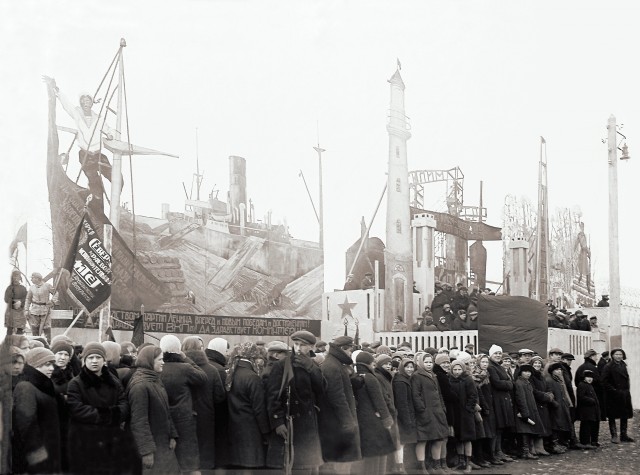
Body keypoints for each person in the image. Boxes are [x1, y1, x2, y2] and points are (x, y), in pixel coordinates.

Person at [44, 76, 121, 212]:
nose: (86, 103)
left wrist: (110, 134)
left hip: (98, 155)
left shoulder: (98, 118)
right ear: (81, 103)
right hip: (86, 155)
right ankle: (98, 212)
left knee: (118, 178)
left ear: (91, 103)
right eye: (83, 101)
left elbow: (109, 130)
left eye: (88, 101)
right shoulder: (77, 113)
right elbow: (66, 104)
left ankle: (117, 208)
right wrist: (57, 90)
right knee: (95, 184)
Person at [66, 342, 133, 475]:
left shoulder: (113, 381)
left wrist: (115, 414)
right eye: (90, 358)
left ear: (104, 360)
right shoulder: (76, 383)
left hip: (110, 439)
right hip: (85, 440)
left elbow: (124, 403)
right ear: (84, 360)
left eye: (98, 357)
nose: (94, 361)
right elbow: (77, 409)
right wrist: (108, 415)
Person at [264, 331, 325, 473]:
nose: (298, 348)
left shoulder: (313, 365)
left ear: (310, 347)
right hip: (289, 422)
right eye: (296, 344)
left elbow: (321, 388)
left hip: (308, 424)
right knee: (292, 466)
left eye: (302, 345)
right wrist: (277, 421)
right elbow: (273, 396)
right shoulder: (282, 365)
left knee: (308, 467)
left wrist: (310, 368)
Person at [127, 345, 181, 474]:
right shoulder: (140, 386)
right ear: (150, 361)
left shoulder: (154, 380)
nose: (163, 362)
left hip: (162, 444)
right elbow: (139, 422)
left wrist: (172, 434)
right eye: (160, 360)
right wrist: (146, 452)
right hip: (152, 448)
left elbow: (165, 411)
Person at [158, 334, 207, 474]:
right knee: (189, 461)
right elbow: (202, 377)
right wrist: (186, 358)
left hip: (163, 418)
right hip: (184, 418)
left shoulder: (157, 368)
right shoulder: (185, 368)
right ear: (179, 350)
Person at [12, 347, 62, 474]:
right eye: (47, 364)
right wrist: (38, 457)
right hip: (37, 458)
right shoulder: (25, 387)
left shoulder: (45, 386)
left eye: (52, 364)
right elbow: (27, 426)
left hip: (49, 450)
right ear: (34, 365)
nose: (51, 368)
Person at [318, 335, 361, 474]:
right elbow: (337, 397)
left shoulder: (334, 364)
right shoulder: (332, 366)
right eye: (349, 351)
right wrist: (348, 421)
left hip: (338, 421)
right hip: (338, 423)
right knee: (342, 460)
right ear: (343, 349)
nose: (350, 354)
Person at [181, 336, 226, 471]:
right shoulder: (212, 370)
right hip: (206, 417)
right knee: (205, 454)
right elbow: (219, 396)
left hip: (183, 417)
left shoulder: (178, 368)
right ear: (201, 349)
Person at [225, 342, 271, 470]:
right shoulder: (252, 377)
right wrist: (266, 432)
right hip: (251, 433)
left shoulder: (231, 374)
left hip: (233, 430)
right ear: (253, 357)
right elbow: (259, 409)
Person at [352, 351, 396, 475]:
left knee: (369, 455)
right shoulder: (370, 377)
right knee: (379, 454)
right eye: (372, 363)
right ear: (368, 364)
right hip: (375, 421)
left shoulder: (356, 377)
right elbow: (379, 400)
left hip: (363, 420)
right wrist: (387, 419)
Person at [412, 352, 450, 473]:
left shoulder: (434, 375)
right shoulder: (417, 376)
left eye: (430, 362)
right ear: (421, 363)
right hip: (425, 412)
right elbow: (415, 395)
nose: (429, 364)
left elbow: (439, 394)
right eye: (426, 362)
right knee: (423, 440)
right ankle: (422, 468)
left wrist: (443, 408)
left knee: (439, 439)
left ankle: (436, 466)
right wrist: (422, 410)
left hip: (437, 412)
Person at [448, 359, 480, 473]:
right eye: (455, 369)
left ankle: (468, 462)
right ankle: (460, 462)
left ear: (463, 369)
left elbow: (473, 396)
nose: (457, 372)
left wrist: (468, 409)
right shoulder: (450, 380)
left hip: (466, 414)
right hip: (455, 414)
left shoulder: (468, 379)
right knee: (458, 439)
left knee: (467, 438)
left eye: (459, 369)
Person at [205, 337, 231, 469]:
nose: (227, 353)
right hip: (218, 415)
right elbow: (221, 396)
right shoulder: (219, 370)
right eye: (226, 350)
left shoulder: (206, 364)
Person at [487, 345, 515, 463]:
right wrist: (509, 383)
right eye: (496, 353)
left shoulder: (498, 366)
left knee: (501, 428)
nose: (498, 355)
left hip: (502, 400)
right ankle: (493, 454)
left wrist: (508, 383)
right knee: (497, 428)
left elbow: (506, 382)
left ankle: (499, 451)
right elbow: (497, 383)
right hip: (496, 401)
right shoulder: (491, 367)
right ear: (491, 355)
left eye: (499, 353)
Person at [601, 348, 634, 444]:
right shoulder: (608, 366)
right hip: (613, 395)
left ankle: (624, 435)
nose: (619, 356)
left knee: (625, 414)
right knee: (612, 415)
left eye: (620, 354)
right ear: (612, 355)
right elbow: (604, 381)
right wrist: (614, 391)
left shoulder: (624, 365)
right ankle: (614, 435)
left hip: (624, 393)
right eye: (616, 354)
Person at [513, 364, 544, 459]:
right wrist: (524, 413)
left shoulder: (527, 382)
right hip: (523, 411)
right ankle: (525, 452)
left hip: (529, 409)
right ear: (521, 372)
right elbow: (520, 399)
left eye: (529, 372)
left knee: (528, 431)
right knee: (524, 432)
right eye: (525, 371)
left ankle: (528, 450)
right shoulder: (519, 383)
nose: (528, 374)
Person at [392, 359, 417, 474]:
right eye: (407, 367)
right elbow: (402, 404)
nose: (410, 369)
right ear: (402, 368)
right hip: (402, 417)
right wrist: (407, 421)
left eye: (412, 367)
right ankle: (400, 467)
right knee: (400, 442)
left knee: (401, 442)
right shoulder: (401, 382)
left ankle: (400, 466)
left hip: (404, 416)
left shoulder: (404, 379)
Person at [24, 272, 55, 341]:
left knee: (47, 327)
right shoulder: (31, 288)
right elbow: (28, 299)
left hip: (45, 310)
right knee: (34, 328)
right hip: (34, 310)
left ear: (37, 278)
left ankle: (48, 344)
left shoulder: (47, 286)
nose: (31, 279)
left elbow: (56, 293)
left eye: (32, 278)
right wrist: (26, 310)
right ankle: (36, 343)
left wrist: (52, 301)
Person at [575, 370, 600, 448]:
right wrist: (591, 400)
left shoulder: (589, 385)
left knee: (593, 425)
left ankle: (593, 441)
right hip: (586, 410)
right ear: (584, 378)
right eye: (588, 377)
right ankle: (585, 442)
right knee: (586, 426)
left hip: (592, 410)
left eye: (591, 377)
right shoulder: (582, 385)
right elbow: (581, 397)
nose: (590, 379)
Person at [4, 269, 27, 335]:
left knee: (20, 329)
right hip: (11, 311)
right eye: (14, 277)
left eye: (17, 277)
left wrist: (20, 302)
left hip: (20, 311)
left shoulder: (23, 288)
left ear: (20, 278)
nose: (16, 279)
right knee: (10, 329)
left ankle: (19, 343)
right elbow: (6, 299)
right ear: (12, 278)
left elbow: (26, 298)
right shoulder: (9, 288)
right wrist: (13, 303)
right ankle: (9, 343)